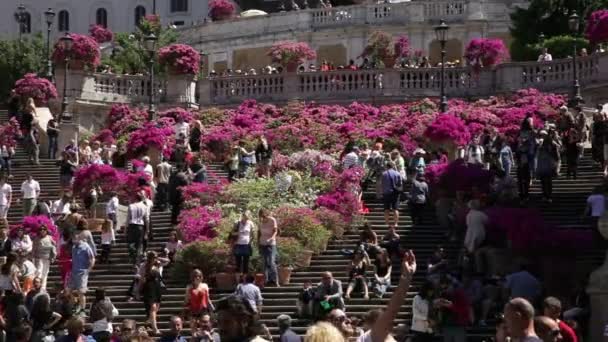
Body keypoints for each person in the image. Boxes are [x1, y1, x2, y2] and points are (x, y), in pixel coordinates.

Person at [356, 250, 416, 342]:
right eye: (385, 319)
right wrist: (406, 277)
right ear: (376, 323)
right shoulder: (373, 335)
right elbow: (392, 309)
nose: (390, 322)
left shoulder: (381, 336)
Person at [71, 231, 95, 310]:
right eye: (73, 238)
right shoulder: (73, 247)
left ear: (79, 238)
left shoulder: (86, 246)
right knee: (68, 290)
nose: (73, 240)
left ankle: (82, 309)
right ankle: (76, 304)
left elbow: (92, 258)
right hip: (74, 271)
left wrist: (88, 270)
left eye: (75, 238)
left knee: (81, 292)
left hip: (82, 272)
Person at [141, 251, 163, 336]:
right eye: (155, 257)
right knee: (153, 308)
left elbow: (167, 261)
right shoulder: (144, 266)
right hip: (149, 288)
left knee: (156, 307)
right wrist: (138, 290)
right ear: (150, 258)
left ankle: (148, 323)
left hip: (157, 288)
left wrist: (158, 261)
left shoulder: (157, 265)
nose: (156, 259)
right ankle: (155, 329)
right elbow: (142, 279)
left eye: (156, 257)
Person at [184, 269, 212, 333]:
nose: (197, 278)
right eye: (196, 276)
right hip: (193, 311)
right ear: (193, 277)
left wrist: (212, 310)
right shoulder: (189, 287)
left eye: (199, 276)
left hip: (203, 310)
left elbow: (207, 299)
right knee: (194, 332)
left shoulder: (205, 285)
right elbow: (186, 300)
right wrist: (184, 311)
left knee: (206, 330)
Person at [536, 130, 560, 202]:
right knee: (543, 181)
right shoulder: (539, 143)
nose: (542, 136)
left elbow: (555, 152)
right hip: (542, 164)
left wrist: (556, 165)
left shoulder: (551, 143)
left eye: (543, 135)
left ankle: (549, 196)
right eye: (541, 135)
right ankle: (544, 195)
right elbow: (537, 153)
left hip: (549, 164)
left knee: (548, 181)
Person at [32, 224, 56, 291]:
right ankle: (37, 286)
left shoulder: (50, 238)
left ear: (46, 230)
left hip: (47, 258)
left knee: (45, 274)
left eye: (44, 229)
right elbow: (33, 249)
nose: (42, 230)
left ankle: (43, 288)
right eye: (41, 229)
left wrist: (53, 257)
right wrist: (33, 258)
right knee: (38, 272)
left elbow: (54, 247)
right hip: (38, 258)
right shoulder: (36, 239)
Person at [258, 208, 278, 286]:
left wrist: (272, 237)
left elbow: (275, 231)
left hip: (271, 243)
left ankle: (275, 280)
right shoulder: (260, 222)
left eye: (264, 216)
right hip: (263, 243)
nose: (263, 218)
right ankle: (266, 280)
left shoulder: (272, 220)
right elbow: (259, 233)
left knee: (272, 262)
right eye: (261, 216)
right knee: (264, 263)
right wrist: (258, 243)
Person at [127, 192, 149, 264]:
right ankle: (136, 261)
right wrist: (147, 231)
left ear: (135, 198)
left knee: (130, 243)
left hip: (132, 226)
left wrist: (125, 229)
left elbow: (128, 218)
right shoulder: (144, 206)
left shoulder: (131, 206)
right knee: (138, 244)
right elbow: (146, 219)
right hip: (140, 227)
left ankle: (133, 257)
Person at [232, 211, 255, 275]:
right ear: (242, 216)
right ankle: (238, 281)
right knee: (238, 263)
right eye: (245, 217)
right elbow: (232, 233)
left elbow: (253, 234)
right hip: (238, 245)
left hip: (246, 245)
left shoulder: (250, 223)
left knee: (246, 263)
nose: (246, 219)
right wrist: (238, 233)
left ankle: (244, 281)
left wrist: (251, 242)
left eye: (247, 218)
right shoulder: (237, 223)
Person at [381, 161, 402, 229]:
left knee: (386, 209)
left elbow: (382, 184)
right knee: (395, 209)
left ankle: (387, 223)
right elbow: (400, 184)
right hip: (395, 193)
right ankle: (396, 223)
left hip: (386, 193)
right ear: (393, 166)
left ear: (387, 166)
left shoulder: (384, 174)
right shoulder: (397, 173)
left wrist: (383, 192)